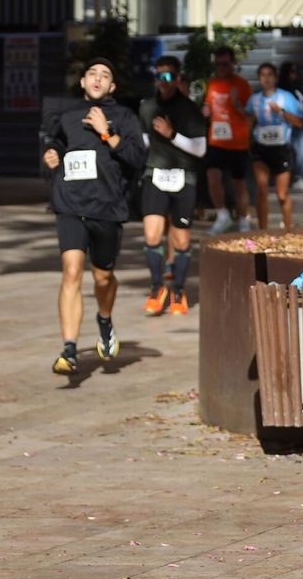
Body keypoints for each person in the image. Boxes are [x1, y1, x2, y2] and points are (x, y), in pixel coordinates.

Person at [39, 57, 147, 374]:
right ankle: (69, 349)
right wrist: (50, 156)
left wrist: (106, 133)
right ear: (83, 82)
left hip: (107, 208)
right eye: (91, 74)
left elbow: (137, 158)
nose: (97, 78)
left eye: (104, 75)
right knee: (71, 271)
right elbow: (54, 145)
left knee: (103, 277)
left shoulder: (125, 117)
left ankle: (104, 319)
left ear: (111, 86)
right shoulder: (68, 116)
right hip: (70, 204)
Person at [138, 54, 207, 316]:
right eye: (159, 76)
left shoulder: (189, 109)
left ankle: (179, 290)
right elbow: (145, 140)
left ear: (177, 79)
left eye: (168, 76)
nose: (163, 82)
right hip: (154, 174)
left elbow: (200, 150)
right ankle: (157, 288)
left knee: (180, 241)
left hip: (184, 177)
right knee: (152, 235)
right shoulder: (146, 107)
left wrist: (172, 135)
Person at [246, 62, 303, 230]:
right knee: (262, 189)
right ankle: (263, 230)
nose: (266, 79)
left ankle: (287, 229)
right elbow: (247, 120)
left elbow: (300, 122)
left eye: (269, 75)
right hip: (261, 148)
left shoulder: (286, 97)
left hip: (280, 149)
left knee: (281, 194)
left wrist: (281, 112)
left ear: (275, 77)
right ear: (259, 78)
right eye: (263, 75)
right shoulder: (254, 100)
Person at [203, 46, 253, 233]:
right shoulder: (213, 83)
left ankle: (243, 218)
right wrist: (206, 112)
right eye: (217, 64)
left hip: (237, 142)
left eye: (224, 64)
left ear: (232, 63)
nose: (221, 68)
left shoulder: (242, 85)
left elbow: (250, 115)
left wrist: (237, 104)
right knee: (212, 177)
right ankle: (222, 215)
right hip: (216, 140)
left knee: (239, 183)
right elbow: (209, 107)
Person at [279, 61, 303, 192]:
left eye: (296, 72)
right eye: (292, 71)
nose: (295, 75)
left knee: (302, 150)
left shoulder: (298, 89)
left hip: (298, 124)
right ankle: (287, 177)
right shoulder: (282, 91)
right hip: (286, 124)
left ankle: (298, 177)